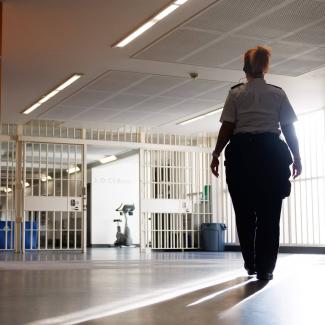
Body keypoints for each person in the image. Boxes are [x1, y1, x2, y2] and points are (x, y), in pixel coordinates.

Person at [210, 46, 302, 281]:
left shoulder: (236, 93)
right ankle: (265, 269)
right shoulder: (278, 94)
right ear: (265, 68)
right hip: (271, 156)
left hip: (241, 156)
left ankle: (250, 263)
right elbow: (289, 128)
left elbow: (227, 127)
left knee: (244, 214)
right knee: (270, 216)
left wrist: (216, 154)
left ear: (245, 67)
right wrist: (297, 157)